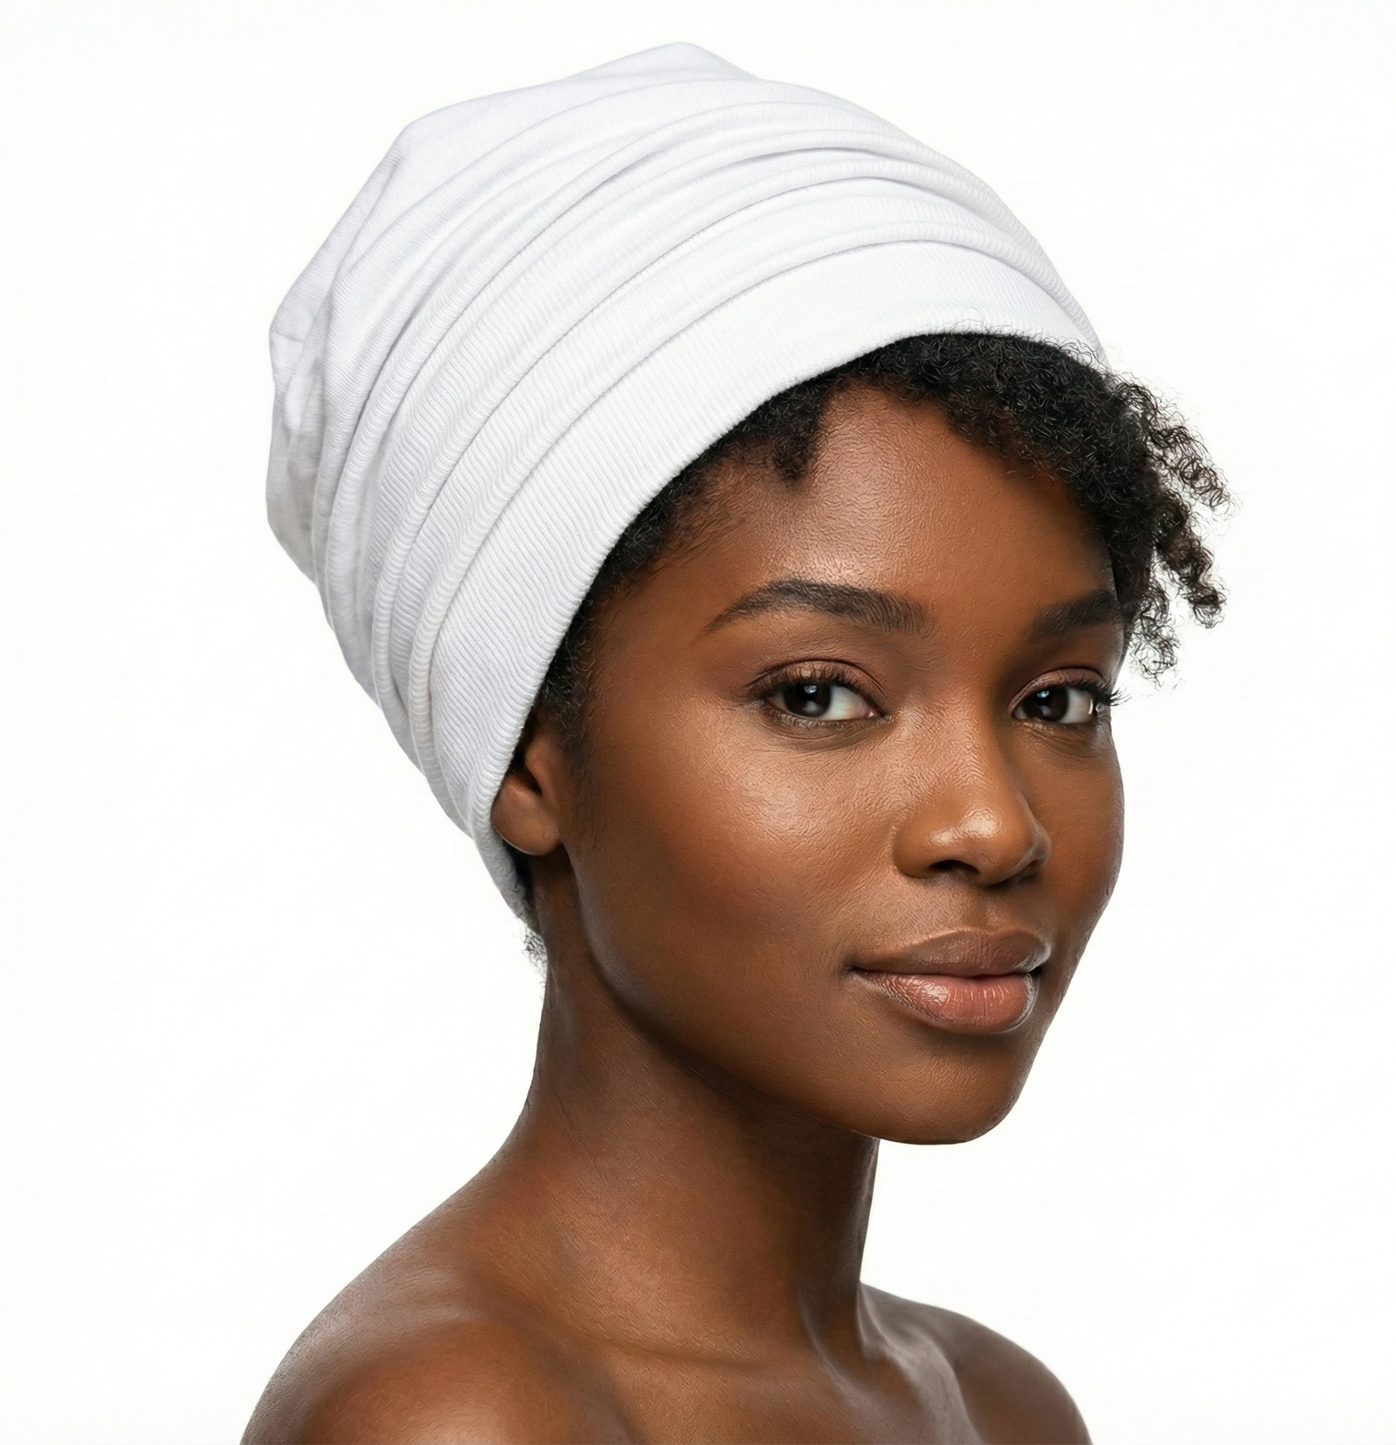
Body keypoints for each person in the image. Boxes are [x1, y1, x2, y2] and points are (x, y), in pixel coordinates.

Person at [245, 43, 1226, 1444]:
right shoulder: (462, 1418)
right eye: (819, 694)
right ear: (530, 759)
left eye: (1058, 700)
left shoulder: (1004, 1410)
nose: (995, 826)